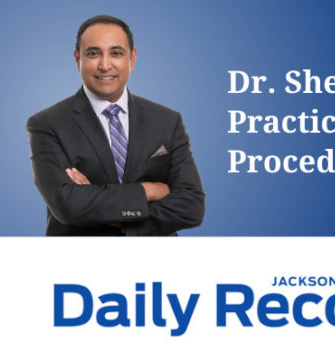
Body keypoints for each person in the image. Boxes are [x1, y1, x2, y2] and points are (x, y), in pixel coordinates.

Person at [27, 15, 205, 236]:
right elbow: (68, 206)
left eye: (116, 53)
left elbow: (191, 207)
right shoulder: (47, 124)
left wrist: (111, 214)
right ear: (77, 59)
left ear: (132, 59)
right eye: (93, 53)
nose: (104, 65)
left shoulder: (168, 121)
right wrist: (149, 190)